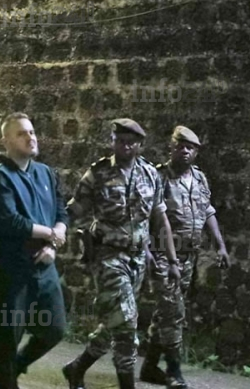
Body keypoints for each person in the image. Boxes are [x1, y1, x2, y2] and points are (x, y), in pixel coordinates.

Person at [62, 118, 179, 389]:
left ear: (139, 145)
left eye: (131, 143)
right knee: (126, 327)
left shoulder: (150, 174)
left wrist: (171, 259)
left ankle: (76, 368)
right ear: (112, 141)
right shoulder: (98, 174)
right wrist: (50, 234)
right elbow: (73, 209)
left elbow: (159, 218)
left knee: (114, 322)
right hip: (108, 258)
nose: (125, 147)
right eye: (120, 141)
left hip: (137, 259)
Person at [0, 112, 68, 389]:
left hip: (44, 266)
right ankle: (6, 376)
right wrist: (51, 234)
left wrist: (53, 242)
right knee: (8, 339)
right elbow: (9, 221)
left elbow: (61, 211)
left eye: (32, 132)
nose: (30, 137)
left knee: (55, 329)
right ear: (6, 141)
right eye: (21, 134)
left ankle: (15, 367)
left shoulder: (45, 172)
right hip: (11, 271)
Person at [140, 126, 230, 389]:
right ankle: (174, 371)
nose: (185, 151)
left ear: (196, 152)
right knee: (174, 312)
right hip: (163, 254)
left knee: (165, 313)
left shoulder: (200, 179)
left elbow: (208, 211)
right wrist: (147, 252)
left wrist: (220, 246)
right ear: (172, 147)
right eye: (180, 146)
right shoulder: (158, 177)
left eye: (190, 148)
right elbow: (143, 217)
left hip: (189, 256)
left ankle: (149, 367)